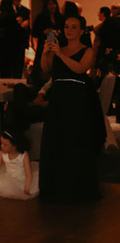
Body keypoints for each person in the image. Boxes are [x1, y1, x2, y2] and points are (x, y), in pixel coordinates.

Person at [39, 15, 105, 203]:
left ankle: (76, 186)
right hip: (58, 98)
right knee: (56, 138)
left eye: (74, 27)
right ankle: (54, 185)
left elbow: (80, 68)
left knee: (74, 139)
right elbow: (46, 69)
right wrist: (45, 53)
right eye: (67, 26)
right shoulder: (59, 48)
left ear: (82, 31)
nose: (69, 30)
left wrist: (60, 54)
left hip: (76, 99)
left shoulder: (88, 51)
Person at [30, 0, 63, 87]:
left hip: (57, 44)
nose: (52, 6)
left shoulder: (60, 17)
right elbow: (35, 32)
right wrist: (44, 32)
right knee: (42, 64)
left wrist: (57, 32)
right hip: (44, 44)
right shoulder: (41, 17)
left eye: (53, 4)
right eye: (49, 4)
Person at [0, 0, 26, 78]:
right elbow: (16, 34)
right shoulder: (11, 16)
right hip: (14, 48)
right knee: (15, 72)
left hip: (3, 48)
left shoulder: (0, 18)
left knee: (4, 72)